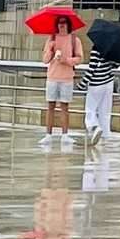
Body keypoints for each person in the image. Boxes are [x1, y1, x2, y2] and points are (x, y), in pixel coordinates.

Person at [39, 16, 83, 148]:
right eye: (59, 23)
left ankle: (65, 134)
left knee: (65, 107)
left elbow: (79, 58)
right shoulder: (51, 39)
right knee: (50, 106)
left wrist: (66, 60)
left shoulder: (75, 40)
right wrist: (51, 50)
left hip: (67, 77)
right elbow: (45, 60)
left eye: (63, 23)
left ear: (68, 24)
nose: (61, 25)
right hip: (52, 76)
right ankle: (48, 134)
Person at [81, 44, 118, 147]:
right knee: (105, 112)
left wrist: (83, 83)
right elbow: (116, 64)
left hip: (96, 82)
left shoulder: (96, 48)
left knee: (90, 109)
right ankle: (106, 136)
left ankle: (94, 127)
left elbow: (92, 68)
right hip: (108, 82)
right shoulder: (112, 48)